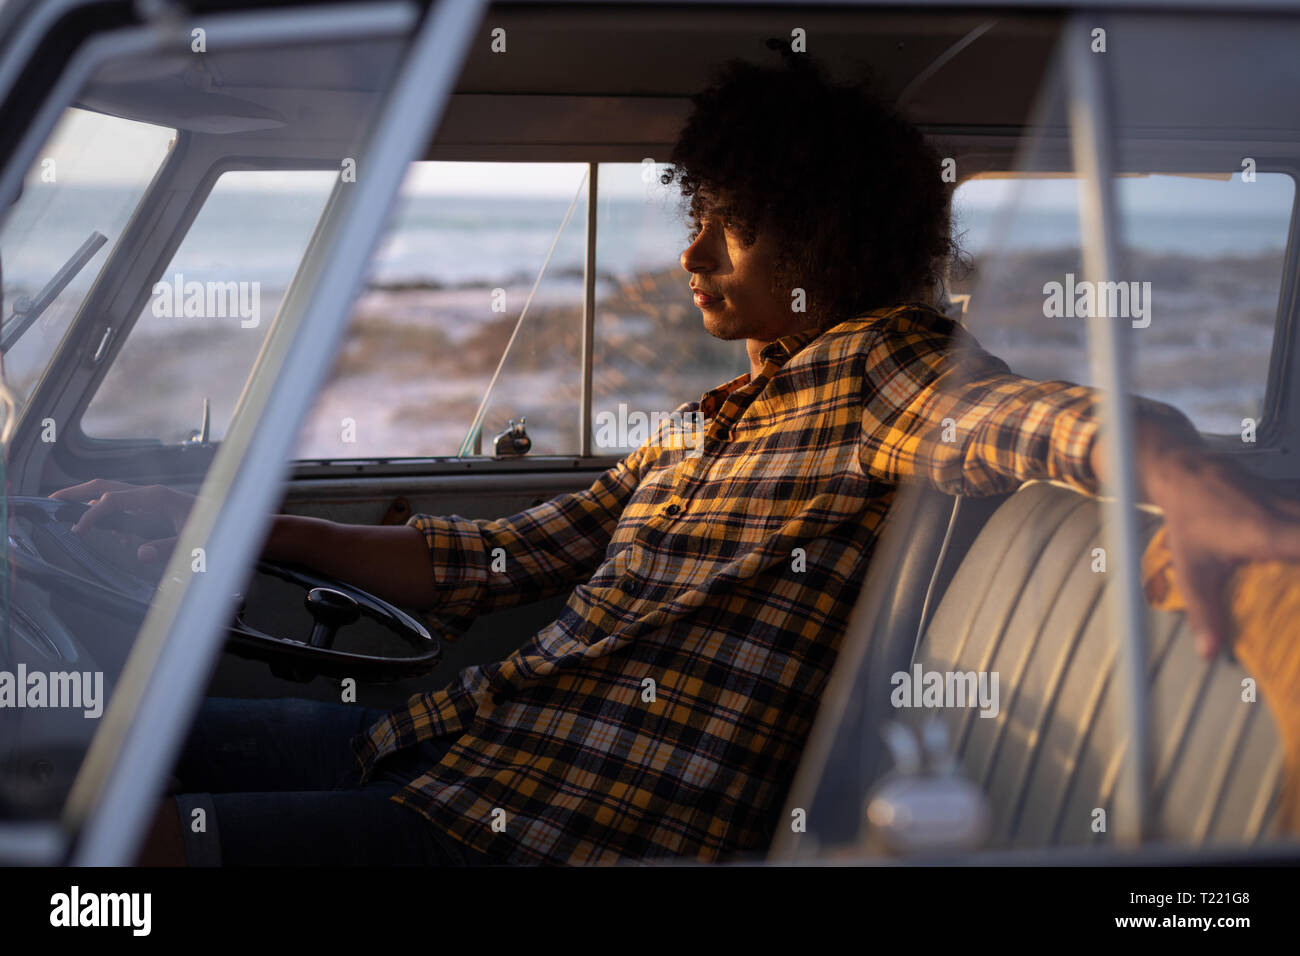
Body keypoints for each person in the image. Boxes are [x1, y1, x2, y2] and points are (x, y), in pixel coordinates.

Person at [54, 55, 1300, 866]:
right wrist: (212, 515)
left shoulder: (885, 365)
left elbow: (1039, 417)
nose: (694, 255)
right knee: (103, 743)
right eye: (692, 216)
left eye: (728, 226)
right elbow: (484, 556)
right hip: (458, 747)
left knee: (127, 847)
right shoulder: (720, 414)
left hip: (570, 825)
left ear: (818, 233)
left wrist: (1190, 488)